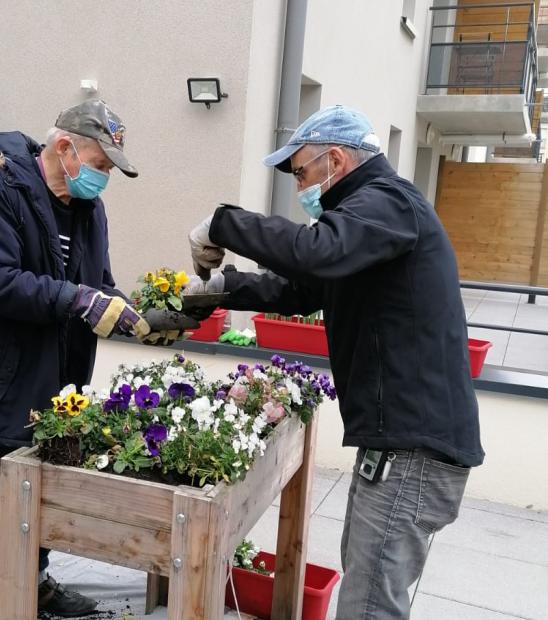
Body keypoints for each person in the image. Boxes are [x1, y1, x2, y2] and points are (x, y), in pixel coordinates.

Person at [185, 105, 484, 619]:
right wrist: (220, 289)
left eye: (301, 172)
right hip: (405, 446)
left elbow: (314, 254)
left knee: (368, 607)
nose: (300, 185)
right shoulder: (368, 220)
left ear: (337, 160)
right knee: (368, 593)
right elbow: (305, 287)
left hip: (412, 450)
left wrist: (223, 223)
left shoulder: (386, 203)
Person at [0, 100, 164, 619]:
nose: (104, 176)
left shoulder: (88, 209)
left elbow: (95, 285)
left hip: (55, 380)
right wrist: (78, 299)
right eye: (102, 163)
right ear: (65, 148)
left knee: (36, 501)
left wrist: (138, 317)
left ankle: (36, 586)